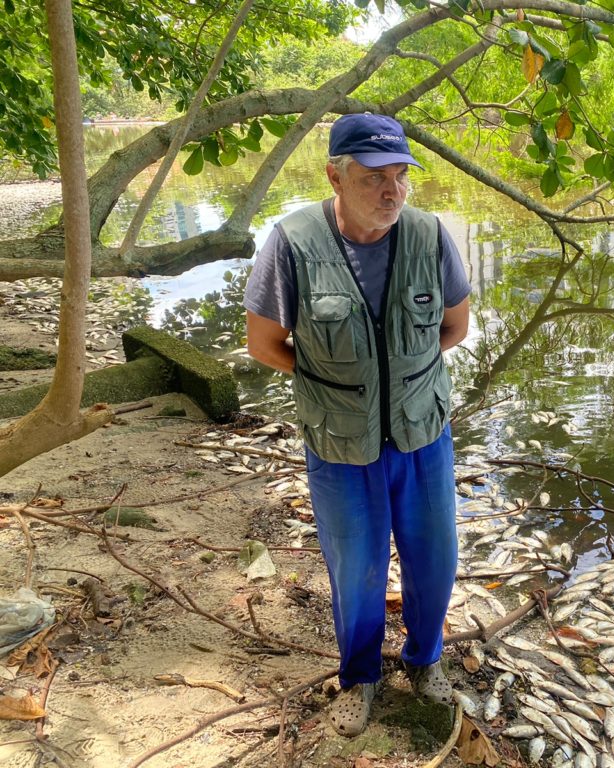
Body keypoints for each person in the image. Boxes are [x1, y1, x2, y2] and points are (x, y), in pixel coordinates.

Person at [243, 113, 471, 737]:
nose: (391, 191)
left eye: (399, 176)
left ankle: (425, 662)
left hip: (422, 434)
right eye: (374, 177)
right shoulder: (291, 242)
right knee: (357, 567)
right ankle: (360, 679)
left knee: (435, 558)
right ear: (335, 177)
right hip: (341, 442)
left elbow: (456, 327)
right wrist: (335, 383)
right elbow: (264, 343)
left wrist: (399, 383)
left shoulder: (429, 237)